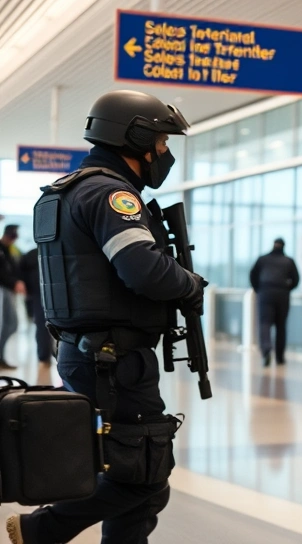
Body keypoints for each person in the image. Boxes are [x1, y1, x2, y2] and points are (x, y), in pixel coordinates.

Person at [7, 90, 205, 544]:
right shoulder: (112, 194)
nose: (164, 153)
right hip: (112, 362)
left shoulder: (70, 190)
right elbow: (145, 270)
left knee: (136, 477)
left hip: (92, 354)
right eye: (160, 143)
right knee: (142, 473)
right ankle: (39, 531)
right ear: (133, 137)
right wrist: (190, 284)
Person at [249, 238, 300, 367]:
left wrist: (258, 289)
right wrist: (287, 288)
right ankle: (280, 357)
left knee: (265, 323)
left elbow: (253, 275)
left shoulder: (263, 259)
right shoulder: (288, 261)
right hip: (282, 294)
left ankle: (266, 350)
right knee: (281, 325)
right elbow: (296, 279)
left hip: (265, 292)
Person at [17, 247, 54, 364]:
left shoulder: (31, 254)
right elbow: (21, 274)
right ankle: (44, 355)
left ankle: (46, 355)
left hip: (46, 292)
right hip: (39, 293)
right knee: (43, 325)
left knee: (44, 325)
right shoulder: (32, 254)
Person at [0, 223, 25, 370]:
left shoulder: (9, 250)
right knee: (7, 324)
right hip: (4, 289)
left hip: (9, 289)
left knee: (12, 324)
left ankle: (2, 357)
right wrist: (13, 283)